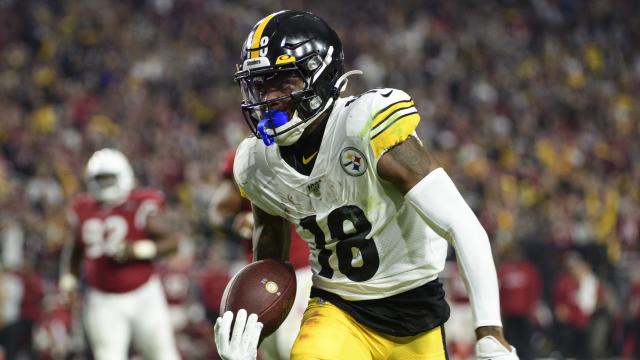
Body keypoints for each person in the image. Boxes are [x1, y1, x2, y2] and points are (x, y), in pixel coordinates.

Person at [214, 10, 518, 360]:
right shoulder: (258, 163)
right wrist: (251, 332)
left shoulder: (366, 127)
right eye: (259, 85)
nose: (267, 100)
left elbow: (462, 225)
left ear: (322, 76)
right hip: (338, 309)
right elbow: (270, 265)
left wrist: (490, 333)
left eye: (283, 84)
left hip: (416, 313)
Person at [59, 148, 182, 360]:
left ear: (124, 176)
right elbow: (75, 249)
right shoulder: (82, 208)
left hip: (144, 294)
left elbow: (173, 242)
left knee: (163, 354)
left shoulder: (140, 204)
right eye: (100, 179)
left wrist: (138, 250)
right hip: (102, 298)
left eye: (109, 178)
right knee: (108, 355)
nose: (105, 184)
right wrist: (68, 281)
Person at [209, 148, 312, 360]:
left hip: (305, 268)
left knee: (294, 348)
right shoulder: (250, 154)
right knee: (268, 351)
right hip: (262, 274)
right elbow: (217, 211)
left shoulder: (316, 143)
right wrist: (235, 224)